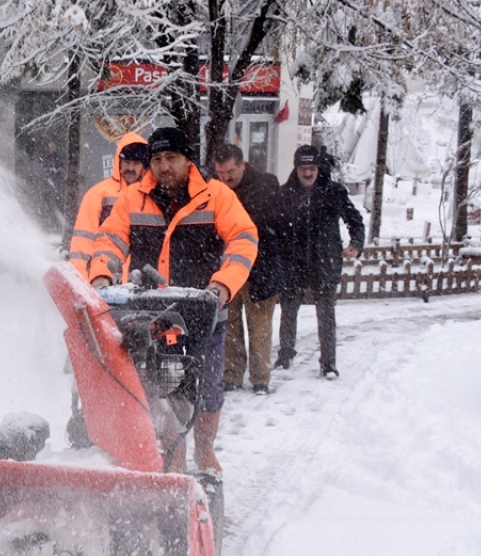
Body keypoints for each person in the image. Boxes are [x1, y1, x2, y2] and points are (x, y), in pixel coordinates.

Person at [78, 127, 259, 475]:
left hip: (205, 313)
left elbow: (243, 239)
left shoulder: (216, 196)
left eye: (171, 158)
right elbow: (110, 239)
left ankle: (204, 452)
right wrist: (101, 273)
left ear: (187, 159)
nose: (163, 166)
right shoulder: (134, 198)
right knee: (163, 388)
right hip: (156, 315)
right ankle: (173, 453)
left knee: (207, 388)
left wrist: (221, 286)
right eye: (157, 159)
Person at [276, 145, 365, 380]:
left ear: (319, 168)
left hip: (324, 263)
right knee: (288, 311)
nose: (308, 173)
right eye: (303, 168)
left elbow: (355, 220)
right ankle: (285, 355)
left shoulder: (334, 192)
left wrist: (356, 243)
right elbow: (273, 227)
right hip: (294, 264)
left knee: (326, 316)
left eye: (312, 168)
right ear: (296, 169)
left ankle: (328, 363)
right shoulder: (284, 194)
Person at [212, 143, 285, 395]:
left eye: (231, 171)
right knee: (229, 325)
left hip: (262, 268)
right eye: (220, 173)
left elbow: (278, 226)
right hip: (228, 269)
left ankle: (260, 378)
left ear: (243, 164)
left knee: (260, 326)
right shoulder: (214, 189)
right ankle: (231, 374)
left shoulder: (266, 185)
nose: (226, 178)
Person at [67, 132, 148, 276]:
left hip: (139, 279)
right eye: (127, 162)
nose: (130, 168)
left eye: (136, 163)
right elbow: (83, 240)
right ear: (118, 162)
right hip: (103, 277)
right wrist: (80, 276)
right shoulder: (98, 194)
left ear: (144, 166)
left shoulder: (150, 195)